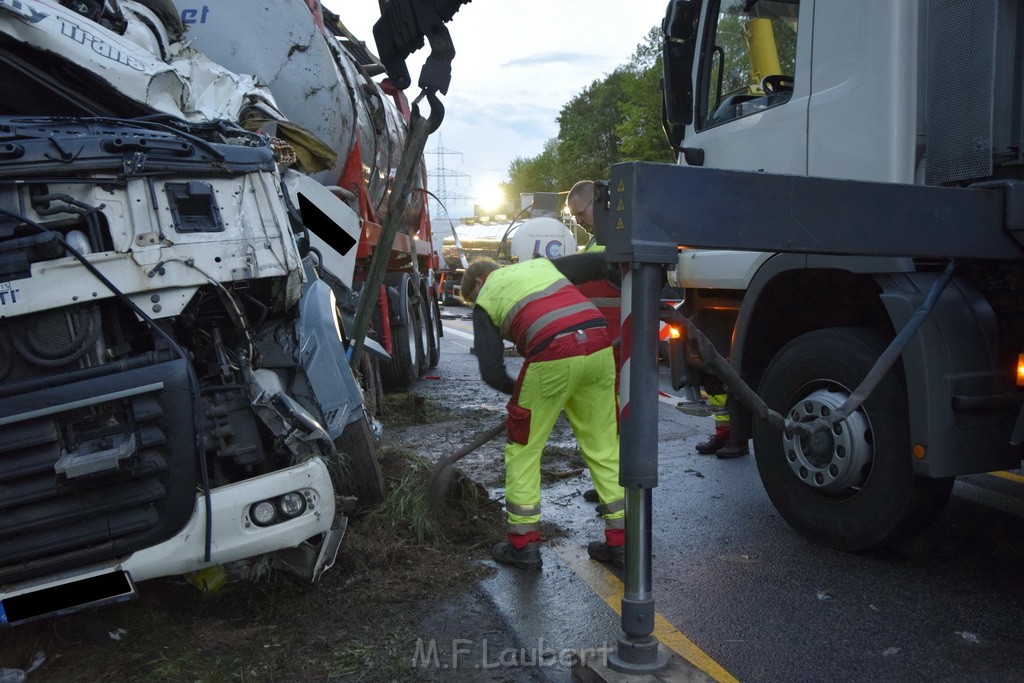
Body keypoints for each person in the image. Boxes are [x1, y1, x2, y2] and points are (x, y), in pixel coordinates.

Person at [461, 255, 625, 570]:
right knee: (604, 446)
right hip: (599, 345)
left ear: (479, 283)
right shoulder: (542, 266)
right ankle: (620, 544)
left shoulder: (485, 299)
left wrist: (527, 395)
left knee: (524, 451)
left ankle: (522, 548)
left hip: (551, 353)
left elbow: (492, 373)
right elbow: (600, 262)